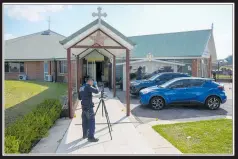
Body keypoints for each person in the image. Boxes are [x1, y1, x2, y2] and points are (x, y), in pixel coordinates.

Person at [79, 77, 99, 142]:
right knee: (91, 121)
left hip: (83, 107)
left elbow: (79, 98)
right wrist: (96, 85)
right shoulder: (88, 86)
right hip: (89, 108)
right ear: (89, 81)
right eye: (92, 81)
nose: (92, 83)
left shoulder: (81, 87)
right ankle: (91, 137)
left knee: (84, 122)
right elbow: (97, 91)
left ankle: (84, 135)